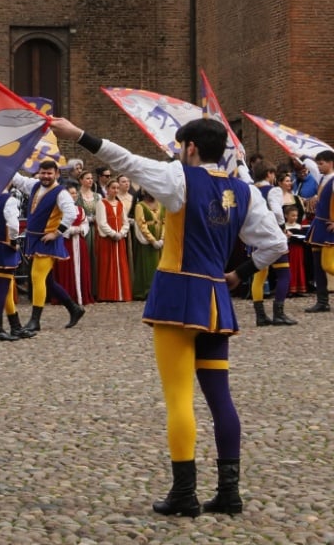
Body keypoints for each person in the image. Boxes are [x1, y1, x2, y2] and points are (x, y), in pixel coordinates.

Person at [50, 116, 287, 517]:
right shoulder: (244, 191)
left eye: (181, 145)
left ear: (190, 146)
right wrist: (237, 276)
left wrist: (79, 136)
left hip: (177, 297)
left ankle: (184, 493)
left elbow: (125, 161)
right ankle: (229, 492)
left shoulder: (180, 179)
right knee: (220, 399)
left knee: (179, 397)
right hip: (215, 299)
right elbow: (275, 243)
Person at [10, 160, 86, 330]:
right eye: (43, 173)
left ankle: (35, 320)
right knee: (48, 281)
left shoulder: (62, 193)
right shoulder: (35, 186)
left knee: (37, 277)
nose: (45, 176)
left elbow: (71, 213)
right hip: (35, 239)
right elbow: (18, 180)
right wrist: (5, 164)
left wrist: (56, 233)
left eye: (49, 173)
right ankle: (74, 308)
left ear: (57, 174)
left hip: (47, 241)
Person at [0, 184, 34, 341]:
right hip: (4, 247)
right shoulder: (8, 200)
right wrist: (14, 240)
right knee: (2, 289)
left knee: (7, 288)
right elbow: (13, 225)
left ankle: (15, 326)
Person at [248, 163, 297, 326]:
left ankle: (260, 315)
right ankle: (278, 314)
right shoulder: (273, 190)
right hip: (273, 236)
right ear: (269, 174)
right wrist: (283, 228)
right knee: (284, 274)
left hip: (257, 237)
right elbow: (277, 211)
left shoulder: (251, 190)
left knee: (259, 276)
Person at [297, 150, 334, 313]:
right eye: (318, 163)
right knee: (317, 264)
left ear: (331, 162)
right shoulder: (323, 179)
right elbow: (308, 164)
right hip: (318, 226)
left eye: (322, 163)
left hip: (328, 226)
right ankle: (322, 301)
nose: (318, 166)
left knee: (328, 264)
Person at [54, 183, 94, 307]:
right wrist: (71, 230)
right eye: (71, 193)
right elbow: (58, 225)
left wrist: (81, 229)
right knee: (66, 268)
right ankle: (68, 295)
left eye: (75, 193)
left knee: (81, 267)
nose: (74, 195)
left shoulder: (80, 210)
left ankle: (81, 294)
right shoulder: (59, 210)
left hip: (79, 242)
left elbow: (85, 223)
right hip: (66, 243)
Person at [95, 178, 133, 302]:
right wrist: (112, 234)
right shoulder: (102, 203)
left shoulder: (120, 204)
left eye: (117, 188)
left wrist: (121, 233)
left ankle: (121, 293)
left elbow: (125, 222)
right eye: (113, 188)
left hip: (119, 239)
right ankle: (108, 293)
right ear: (107, 189)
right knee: (107, 265)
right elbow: (101, 222)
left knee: (120, 264)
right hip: (107, 239)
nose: (115, 190)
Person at [131, 190, 164, 301]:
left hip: (160, 237)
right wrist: (152, 240)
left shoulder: (161, 204)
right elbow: (141, 224)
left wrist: (162, 238)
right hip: (147, 240)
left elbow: (164, 221)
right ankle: (147, 290)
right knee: (147, 265)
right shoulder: (140, 206)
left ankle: (161, 290)